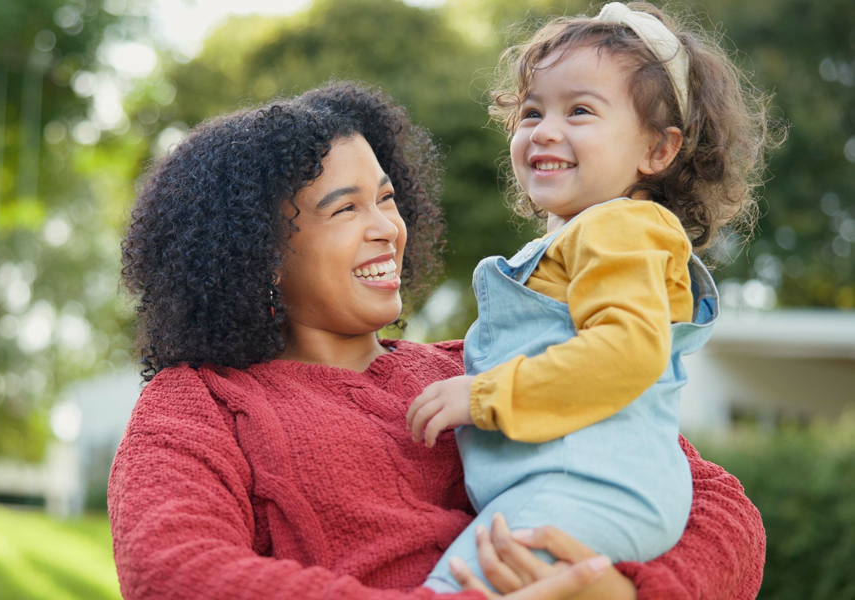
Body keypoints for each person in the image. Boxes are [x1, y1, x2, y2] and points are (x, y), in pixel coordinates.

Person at [111, 82, 766, 600]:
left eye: (387, 199)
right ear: (259, 254)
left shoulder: (479, 367)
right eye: (346, 208)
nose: (387, 228)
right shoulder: (199, 403)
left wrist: (622, 592)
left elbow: (721, 509)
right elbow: (173, 572)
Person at [404, 2, 781, 595]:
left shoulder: (620, 226)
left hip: (585, 486)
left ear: (657, 151)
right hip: (568, 487)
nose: (544, 130)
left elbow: (627, 350)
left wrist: (483, 395)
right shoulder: (589, 238)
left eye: (579, 110)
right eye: (532, 111)